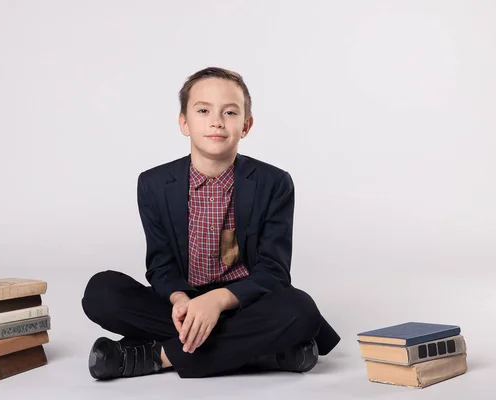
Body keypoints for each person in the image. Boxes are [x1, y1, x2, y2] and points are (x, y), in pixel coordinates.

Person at [81, 67, 340, 380]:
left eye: (230, 112)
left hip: (245, 304)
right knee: (101, 292)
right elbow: (160, 266)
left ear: (246, 125)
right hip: (185, 304)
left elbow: (274, 272)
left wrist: (217, 301)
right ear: (184, 122)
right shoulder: (153, 184)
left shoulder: (274, 183)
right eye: (203, 110)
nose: (217, 121)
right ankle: (267, 354)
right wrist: (181, 301)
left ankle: (155, 356)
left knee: (300, 310)